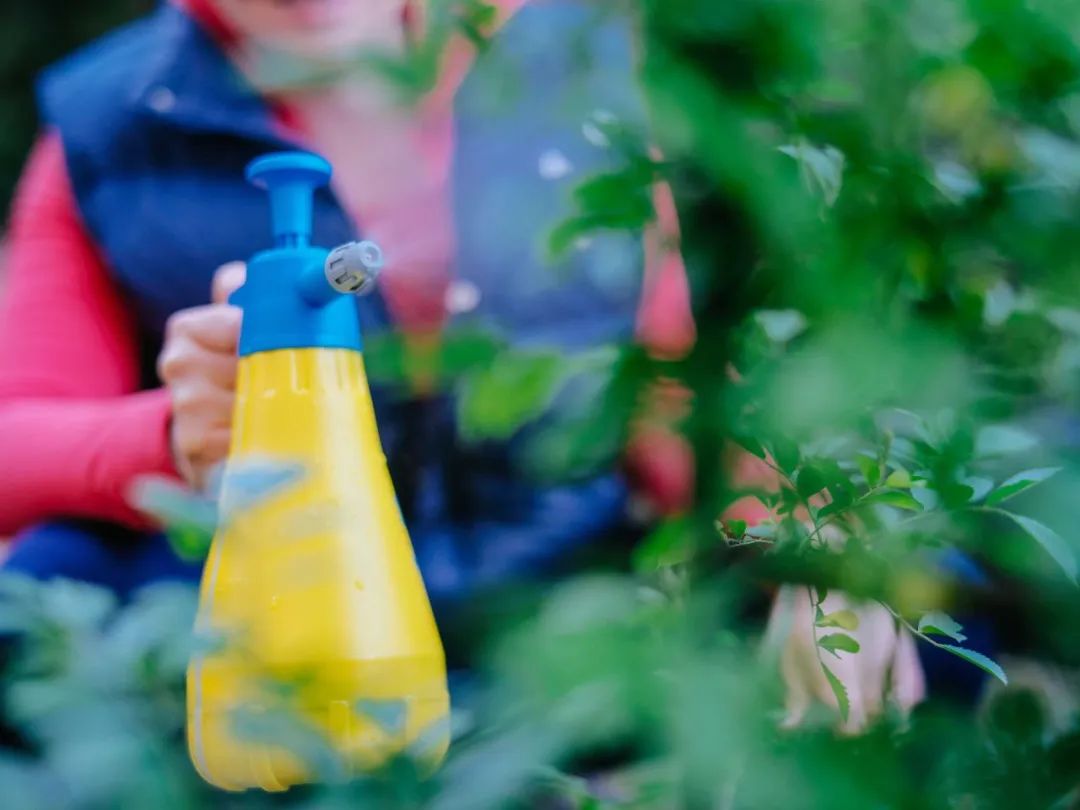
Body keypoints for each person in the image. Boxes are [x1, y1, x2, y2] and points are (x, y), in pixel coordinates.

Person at [0, 0, 921, 724]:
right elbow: (17, 438)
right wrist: (171, 432)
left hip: (565, 639)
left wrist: (805, 544)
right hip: (271, 663)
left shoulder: (574, 63)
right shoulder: (106, 124)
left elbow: (663, 380)